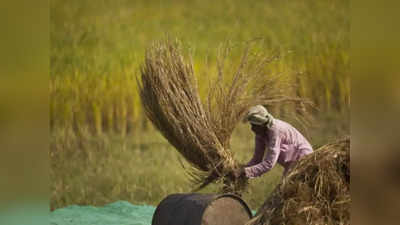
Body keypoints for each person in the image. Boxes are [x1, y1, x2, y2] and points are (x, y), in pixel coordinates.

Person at [237, 105, 313, 179]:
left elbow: (269, 163)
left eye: (254, 125)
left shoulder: (275, 131)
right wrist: (242, 168)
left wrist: (244, 172)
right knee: (284, 189)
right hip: (290, 164)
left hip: (303, 158)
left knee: (285, 188)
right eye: (251, 125)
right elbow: (257, 159)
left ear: (262, 124)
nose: (252, 129)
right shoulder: (260, 133)